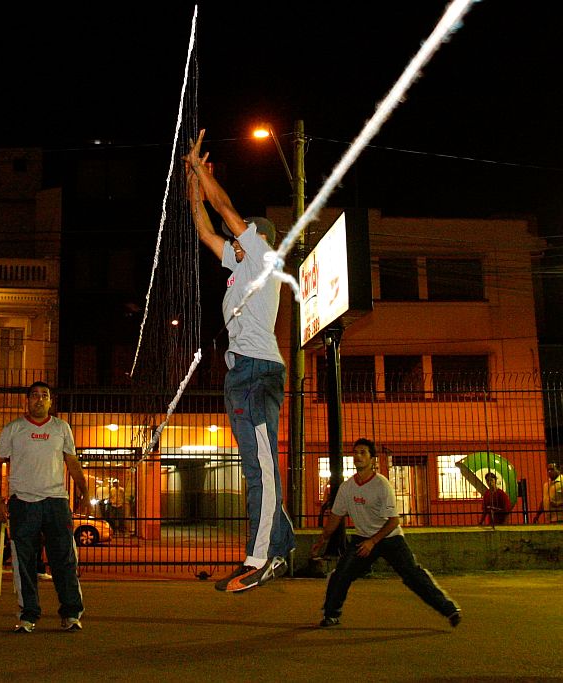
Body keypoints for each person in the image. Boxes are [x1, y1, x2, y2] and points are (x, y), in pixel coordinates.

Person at [185, 129, 295, 592]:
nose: (236, 240)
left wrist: (206, 179)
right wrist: (193, 177)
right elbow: (204, 228)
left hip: (256, 371)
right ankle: (282, 545)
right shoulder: (238, 269)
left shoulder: (263, 257)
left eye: (244, 236)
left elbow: (225, 212)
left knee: (260, 469)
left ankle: (260, 557)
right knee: (257, 465)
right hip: (242, 374)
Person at [311, 438, 461, 629]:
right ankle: (331, 615)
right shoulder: (347, 488)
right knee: (341, 574)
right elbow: (335, 516)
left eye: (363, 452)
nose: (358, 456)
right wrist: (322, 539)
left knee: (413, 576)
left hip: (390, 538)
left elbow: (393, 521)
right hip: (362, 538)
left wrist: (373, 542)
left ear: (372, 459)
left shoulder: (382, 485)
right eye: (355, 452)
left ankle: (450, 610)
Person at [0, 381, 90, 633]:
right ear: (27, 400)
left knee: (64, 560)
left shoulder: (61, 428)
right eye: (34, 395)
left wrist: (84, 492)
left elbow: (73, 461)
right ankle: (28, 615)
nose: (39, 400)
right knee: (24, 562)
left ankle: (71, 613)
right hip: (22, 503)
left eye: (44, 396)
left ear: (50, 402)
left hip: (55, 502)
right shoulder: (14, 429)